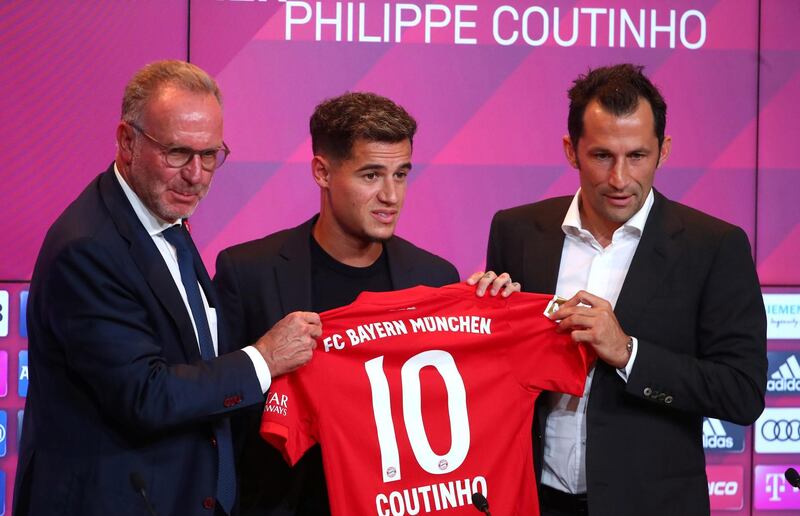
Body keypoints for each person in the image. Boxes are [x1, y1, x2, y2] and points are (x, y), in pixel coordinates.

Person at [14, 60, 320, 516]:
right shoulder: (88, 248)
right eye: (177, 153)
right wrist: (263, 359)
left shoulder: (161, 216)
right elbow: (146, 395)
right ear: (126, 141)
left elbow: (194, 353)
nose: (196, 175)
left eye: (210, 154)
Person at [214, 91, 516, 515]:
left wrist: (493, 314)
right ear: (322, 171)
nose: (391, 196)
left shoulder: (435, 278)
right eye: (371, 175)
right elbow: (221, 408)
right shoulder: (249, 273)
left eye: (401, 174)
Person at [485, 63, 767, 516]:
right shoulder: (516, 230)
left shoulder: (713, 246)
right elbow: (495, 372)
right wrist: (483, 317)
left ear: (664, 151)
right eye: (602, 156)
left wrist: (628, 353)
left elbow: (742, 393)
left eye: (637, 156)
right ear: (571, 151)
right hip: (529, 501)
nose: (620, 179)